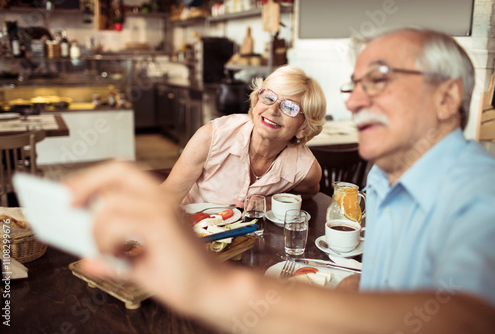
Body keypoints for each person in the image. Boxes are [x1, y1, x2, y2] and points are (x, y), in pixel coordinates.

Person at [66, 27, 495, 334]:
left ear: (446, 98)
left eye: (379, 82)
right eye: (356, 84)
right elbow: (388, 283)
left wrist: (208, 286)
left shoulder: (480, 194)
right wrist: (350, 286)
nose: (357, 99)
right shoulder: (383, 179)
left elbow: (470, 318)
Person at [160, 65, 327, 206]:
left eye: (290, 107)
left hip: (251, 241)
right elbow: (165, 199)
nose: (273, 110)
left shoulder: (305, 169)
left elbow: (309, 192)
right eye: (268, 97)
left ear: (303, 127)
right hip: (191, 233)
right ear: (256, 103)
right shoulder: (211, 137)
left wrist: (271, 202)